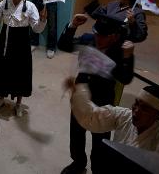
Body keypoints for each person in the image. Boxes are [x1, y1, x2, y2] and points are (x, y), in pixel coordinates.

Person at [58, 13, 135, 174]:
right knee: (77, 134)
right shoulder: (88, 39)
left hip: (104, 99)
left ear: (114, 36)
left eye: (103, 36)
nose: (98, 38)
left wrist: (127, 58)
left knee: (100, 140)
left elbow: (125, 78)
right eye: (96, 33)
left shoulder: (121, 50)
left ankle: (98, 168)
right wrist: (73, 25)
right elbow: (64, 45)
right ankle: (78, 163)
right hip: (80, 95)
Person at [65, 80, 159, 157]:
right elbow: (92, 117)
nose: (136, 110)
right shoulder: (124, 116)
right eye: (136, 103)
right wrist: (77, 93)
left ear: (157, 114)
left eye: (145, 108)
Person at [84, 0, 148, 43]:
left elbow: (140, 36)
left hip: (118, 43)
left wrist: (133, 23)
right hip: (101, 37)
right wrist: (94, 0)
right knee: (84, 38)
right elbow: (99, 16)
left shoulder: (138, 13)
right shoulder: (113, 4)